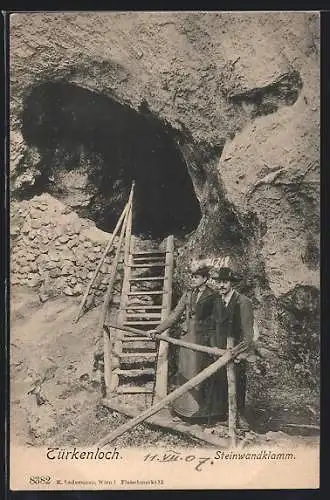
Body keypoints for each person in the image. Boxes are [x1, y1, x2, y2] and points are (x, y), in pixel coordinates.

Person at [147, 260, 214, 422]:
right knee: (185, 372)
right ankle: (183, 410)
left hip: (202, 340)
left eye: (197, 277)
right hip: (186, 337)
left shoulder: (213, 295)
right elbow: (175, 314)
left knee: (200, 374)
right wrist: (158, 329)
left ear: (205, 278)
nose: (193, 279)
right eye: (192, 277)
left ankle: (200, 414)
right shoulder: (188, 294)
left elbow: (216, 321)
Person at [205, 266, 255, 430]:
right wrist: (213, 347)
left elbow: (248, 335)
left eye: (225, 282)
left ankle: (239, 417)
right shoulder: (217, 301)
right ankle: (224, 416)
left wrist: (238, 353)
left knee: (238, 384)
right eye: (219, 282)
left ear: (231, 284)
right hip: (219, 351)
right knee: (221, 382)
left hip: (237, 352)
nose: (221, 285)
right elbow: (212, 327)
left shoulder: (243, 302)